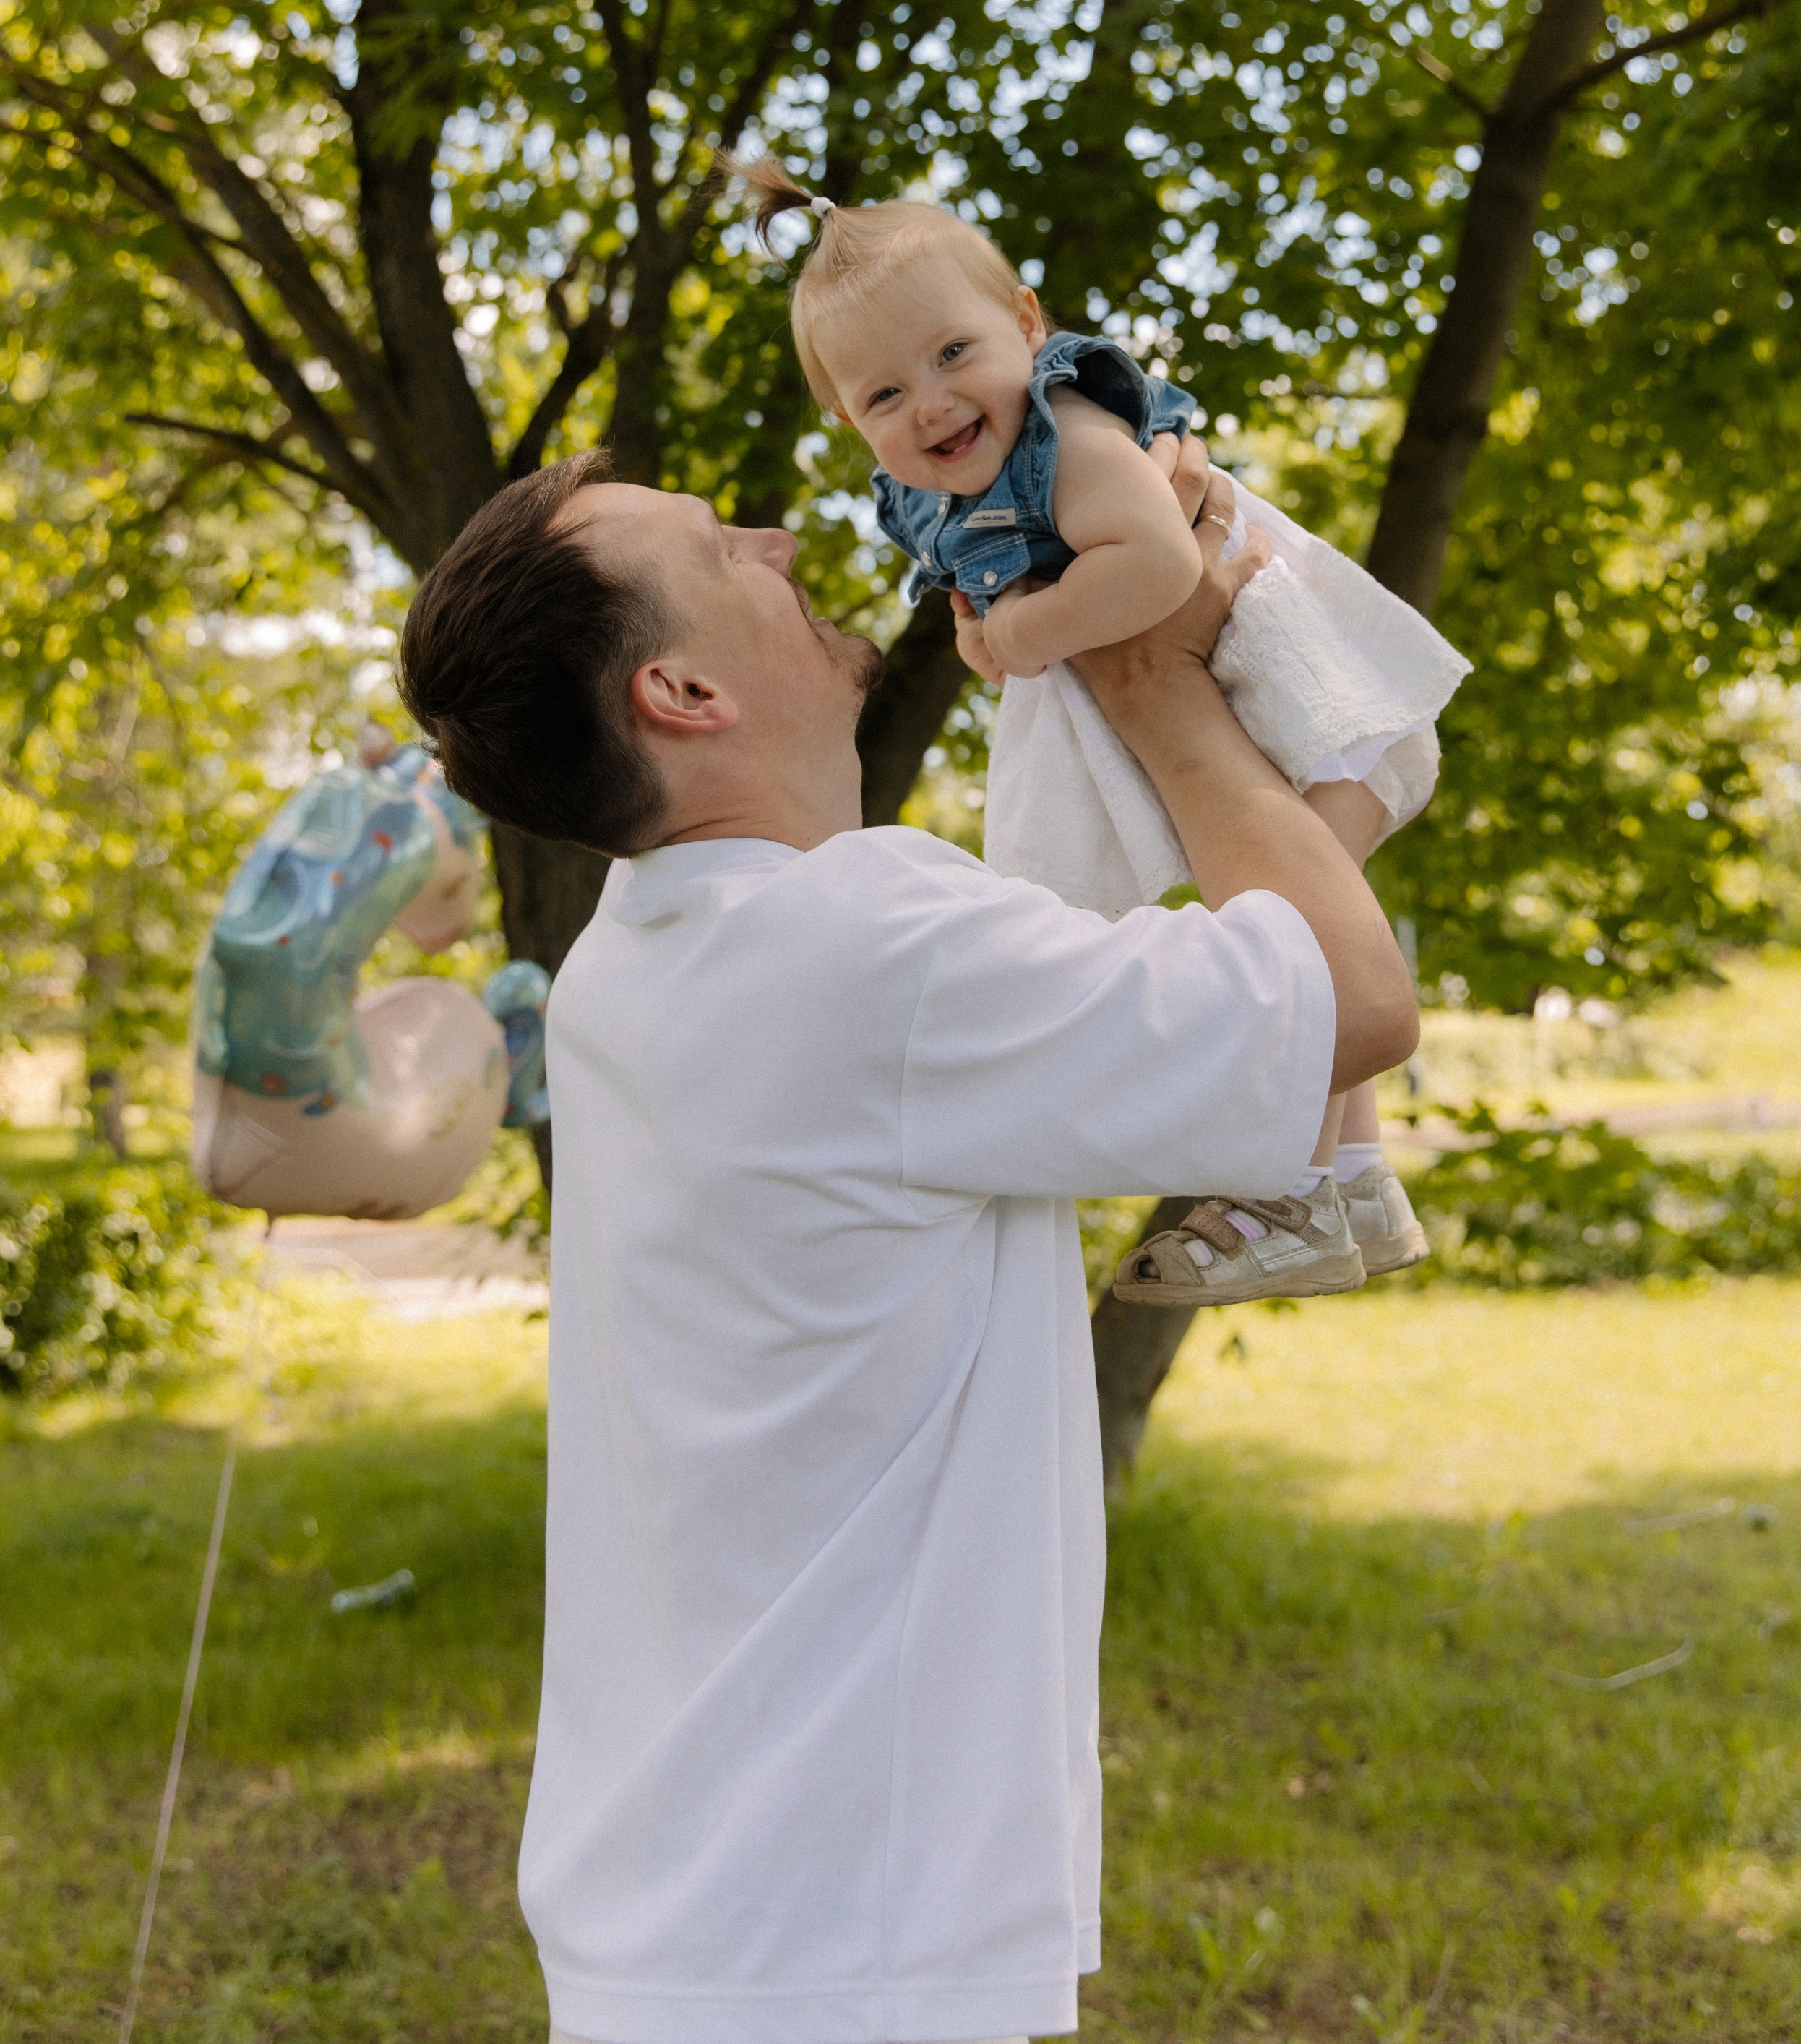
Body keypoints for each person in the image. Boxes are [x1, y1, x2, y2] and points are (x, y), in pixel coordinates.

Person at [397, 441, 1417, 2044]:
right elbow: (1351, 1007)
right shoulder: (862, 944)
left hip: (699, 1921)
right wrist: (1150, 680)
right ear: (681, 692)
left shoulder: (636, 960)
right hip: (840, 1946)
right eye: (719, 549)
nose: (778, 537)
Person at [714, 154, 1463, 1308]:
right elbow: (983, 613)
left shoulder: (1070, 425)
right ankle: (1351, 1181)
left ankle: (1302, 1188)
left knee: (1289, 938)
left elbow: (1160, 561)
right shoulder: (937, 494)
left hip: (1324, 702)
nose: (929, 403)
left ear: (1025, 324)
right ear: (846, 421)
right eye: (882, 396)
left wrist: (1021, 638)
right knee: (1282, 925)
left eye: (953, 354)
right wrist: (990, 637)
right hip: (1266, 719)